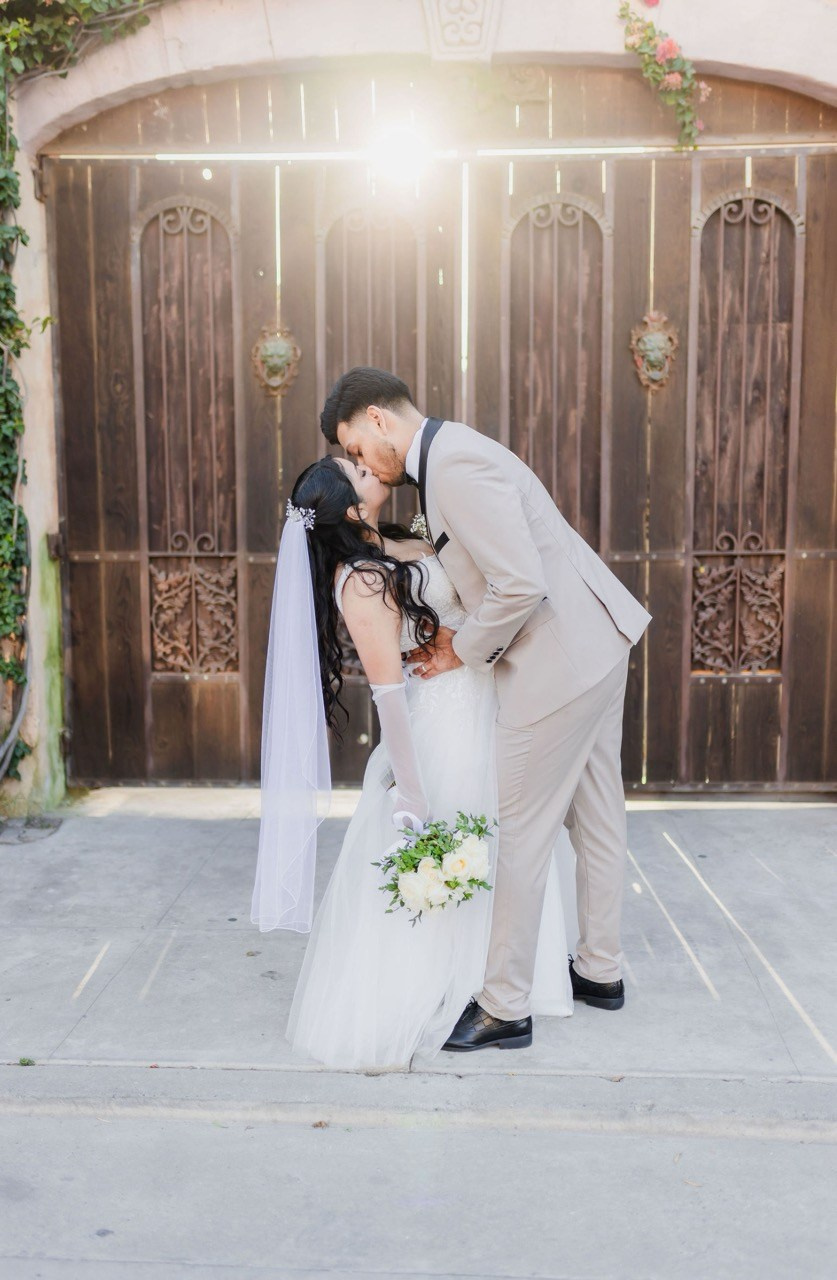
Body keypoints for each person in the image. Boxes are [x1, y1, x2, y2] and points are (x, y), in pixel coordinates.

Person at [321, 367, 652, 1053]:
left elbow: (519, 585)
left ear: (379, 420)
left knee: (520, 830)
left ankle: (504, 1005)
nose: (360, 463)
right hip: (597, 641)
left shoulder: (452, 468)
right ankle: (599, 969)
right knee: (596, 815)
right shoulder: (453, 454)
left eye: (355, 448)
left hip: (556, 662)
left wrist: (459, 652)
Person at [250, 453, 573, 1070]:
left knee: (512, 841)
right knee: (461, 841)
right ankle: (452, 985)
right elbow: (389, 691)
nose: (372, 466)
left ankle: (505, 982)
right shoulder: (361, 580)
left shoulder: (402, 542)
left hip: (488, 704)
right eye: (358, 469)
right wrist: (412, 790)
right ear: (350, 505)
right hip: (443, 725)